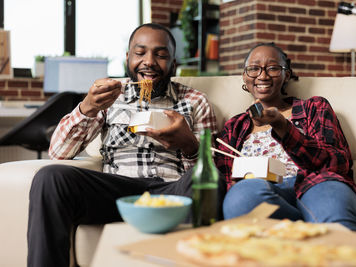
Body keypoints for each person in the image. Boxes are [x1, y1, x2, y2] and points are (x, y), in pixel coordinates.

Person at [27, 23, 224, 267]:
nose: (149, 62)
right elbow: (58, 152)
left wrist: (190, 145)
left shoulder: (196, 102)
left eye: (161, 55)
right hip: (117, 191)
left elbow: (211, 170)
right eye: (140, 53)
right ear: (127, 58)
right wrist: (87, 107)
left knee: (209, 180)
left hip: (170, 193)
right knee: (50, 177)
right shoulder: (109, 95)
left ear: (173, 64)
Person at [215, 42, 356, 232]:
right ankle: (308, 227)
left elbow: (338, 163)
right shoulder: (234, 127)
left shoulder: (314, 108)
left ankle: (320, 233)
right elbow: (225, 178)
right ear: (244, 76)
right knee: (241, 198)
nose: (262, 75)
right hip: (264, 195)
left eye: (273, 68)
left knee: (331, 206)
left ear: (287, 74)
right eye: (253, 69)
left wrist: (282, 125)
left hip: (317, 185)